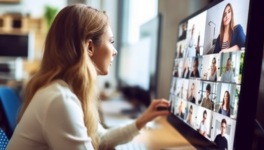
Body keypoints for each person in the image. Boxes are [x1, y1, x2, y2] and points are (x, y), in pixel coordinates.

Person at [6, 4, 170, 150]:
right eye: (111, 41)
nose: (115, 51)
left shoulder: (65, 90)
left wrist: (142, 120)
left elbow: (100, 139)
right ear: (90, 47)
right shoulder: (59, 100)